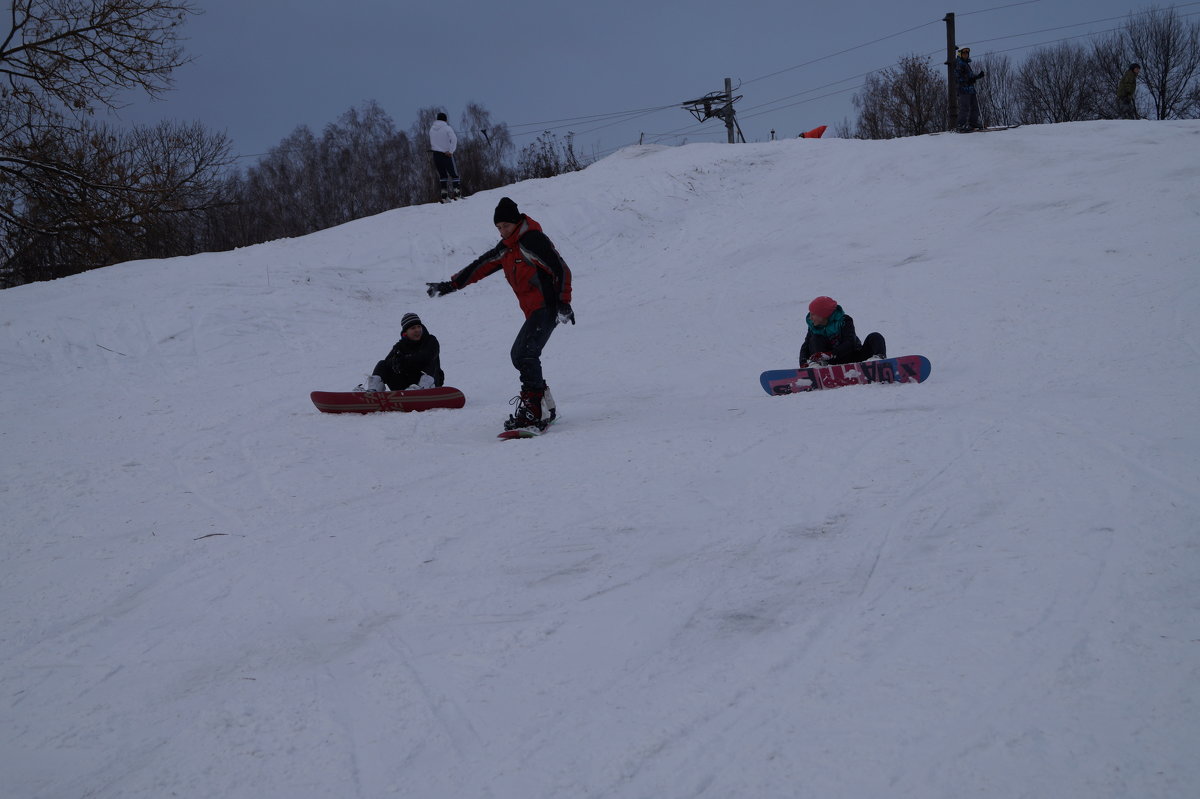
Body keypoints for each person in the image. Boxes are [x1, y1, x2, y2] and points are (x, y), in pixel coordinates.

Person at [426, 197, 574, 431]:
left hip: (547, 307)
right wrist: (451, 285)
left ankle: (534, 411)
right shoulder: (507, 247)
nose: (502, 231)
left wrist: (564, 302)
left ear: (516, 222)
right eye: (498, 227)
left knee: (525, 353)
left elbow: (561, 268)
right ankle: (545, 405)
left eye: (505, 226)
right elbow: (481, 265)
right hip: (534, 311)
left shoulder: (531, 240)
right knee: (520, 355)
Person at [361, 312, 445, 392]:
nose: (417, 330)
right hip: (406, 387)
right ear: (405, 333)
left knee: (428, 361)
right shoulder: (399, 346)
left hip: (431, 383)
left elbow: (426, 357)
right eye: (413, 328)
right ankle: (373, 391)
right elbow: (388, 363)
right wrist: (396, 363)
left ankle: (422, 388)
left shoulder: (430, 340)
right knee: (382, 364)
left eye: (419, 326)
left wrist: (404, 360)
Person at [799, 296, 886, 367]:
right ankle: (817, 366)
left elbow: (850, 342)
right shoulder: (814, 327)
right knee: (815, 339)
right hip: (829, 363)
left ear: (823, 314)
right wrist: (803, 363)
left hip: (853, 356)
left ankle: (878, 362)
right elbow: (806, 346)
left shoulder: (844, 321)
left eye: (813, 314)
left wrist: (831, 354)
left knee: (875, 336)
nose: (810, 318)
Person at [428, 112, 462, 202]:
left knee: (443, 175)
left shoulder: (431, 129)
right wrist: (451, 151)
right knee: (454, 174)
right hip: (446, 154)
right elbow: (454, 139)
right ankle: (457, 194)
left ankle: (444, 196)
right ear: (445, 119)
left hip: (436, 155)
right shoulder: (447, 128)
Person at [955, 47, 986, 133]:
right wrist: (967, 81)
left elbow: (970, 77)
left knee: (975, 107)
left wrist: (978, 76)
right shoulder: (959, 64)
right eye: (964, 53)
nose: (966, 55)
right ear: (960, 54)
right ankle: (960, 125)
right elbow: (958, 77)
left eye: (967, 54)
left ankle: (973, 123)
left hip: (971, 89)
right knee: (965, 107)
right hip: (963, 90)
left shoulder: (966, 64)